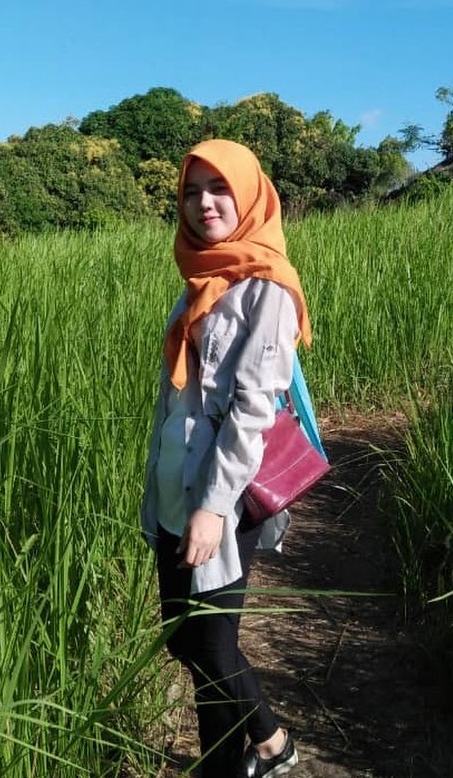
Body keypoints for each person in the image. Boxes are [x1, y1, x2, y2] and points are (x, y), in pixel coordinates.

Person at [141, 138, 313, 777]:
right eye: (191, 191)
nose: (204, 203)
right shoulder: (197, 278)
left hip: (220, 498)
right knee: (182, 638)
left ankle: (244, 757)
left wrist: (213, 508)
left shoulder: (267, 289)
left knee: (213, 648)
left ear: (249, 195)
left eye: (219, 188)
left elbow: (252, 412)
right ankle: (262, 744)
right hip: (171, 489)